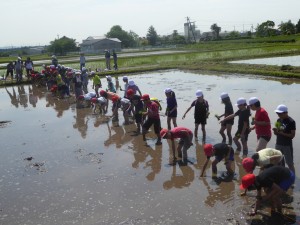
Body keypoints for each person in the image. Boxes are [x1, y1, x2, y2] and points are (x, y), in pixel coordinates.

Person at [273, 104, 296, 175]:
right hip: (278, 144)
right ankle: (282, 176)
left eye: (280, 113)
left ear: (286, 112)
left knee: (290, 163)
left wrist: (281, 133)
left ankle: (292, 179)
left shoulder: (291, 121)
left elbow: (292, 135)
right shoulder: (278, 120)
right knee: (278, 162)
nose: (278, 115)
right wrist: (275, 132)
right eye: (277, 113)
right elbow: (277, 133)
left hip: (287, 145)